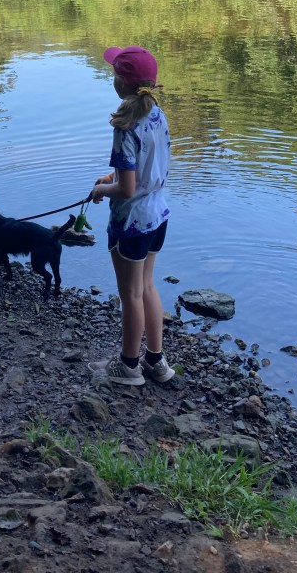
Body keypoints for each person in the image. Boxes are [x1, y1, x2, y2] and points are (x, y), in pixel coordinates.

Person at [88, 45, 174, 386]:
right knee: (148, 286)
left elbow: (126, 190)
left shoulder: (124, 125)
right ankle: (156, 361)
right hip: (158, 215)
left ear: (120, 83)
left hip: (132, 222)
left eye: (113, 73)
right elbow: (146, 169)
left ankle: (128, 367)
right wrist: (113, 176)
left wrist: (101, 190)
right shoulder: (157, 113)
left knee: (131, 295)